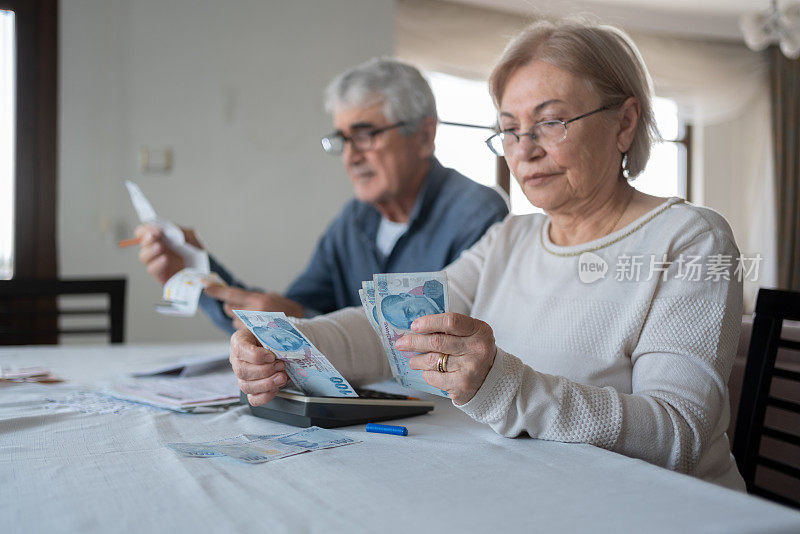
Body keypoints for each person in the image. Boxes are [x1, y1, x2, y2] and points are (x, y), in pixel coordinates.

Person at [228, 19, 746, 491]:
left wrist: (502, 386)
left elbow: (677, 435)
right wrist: (282, 344)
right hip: (539, 489)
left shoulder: (690, 239)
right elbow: (392, 332)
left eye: (551, 121)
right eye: (510, 128)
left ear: (625, 123)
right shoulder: (511, 238)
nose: (525, 149)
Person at [136, 59, 509, 333]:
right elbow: (286, 313)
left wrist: (302, 322)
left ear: (425, 137)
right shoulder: (353, 221)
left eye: (365, 136)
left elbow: (439, 347)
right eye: (343, 140)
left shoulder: (477, 214)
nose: (350, 156)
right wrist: (195, 274)